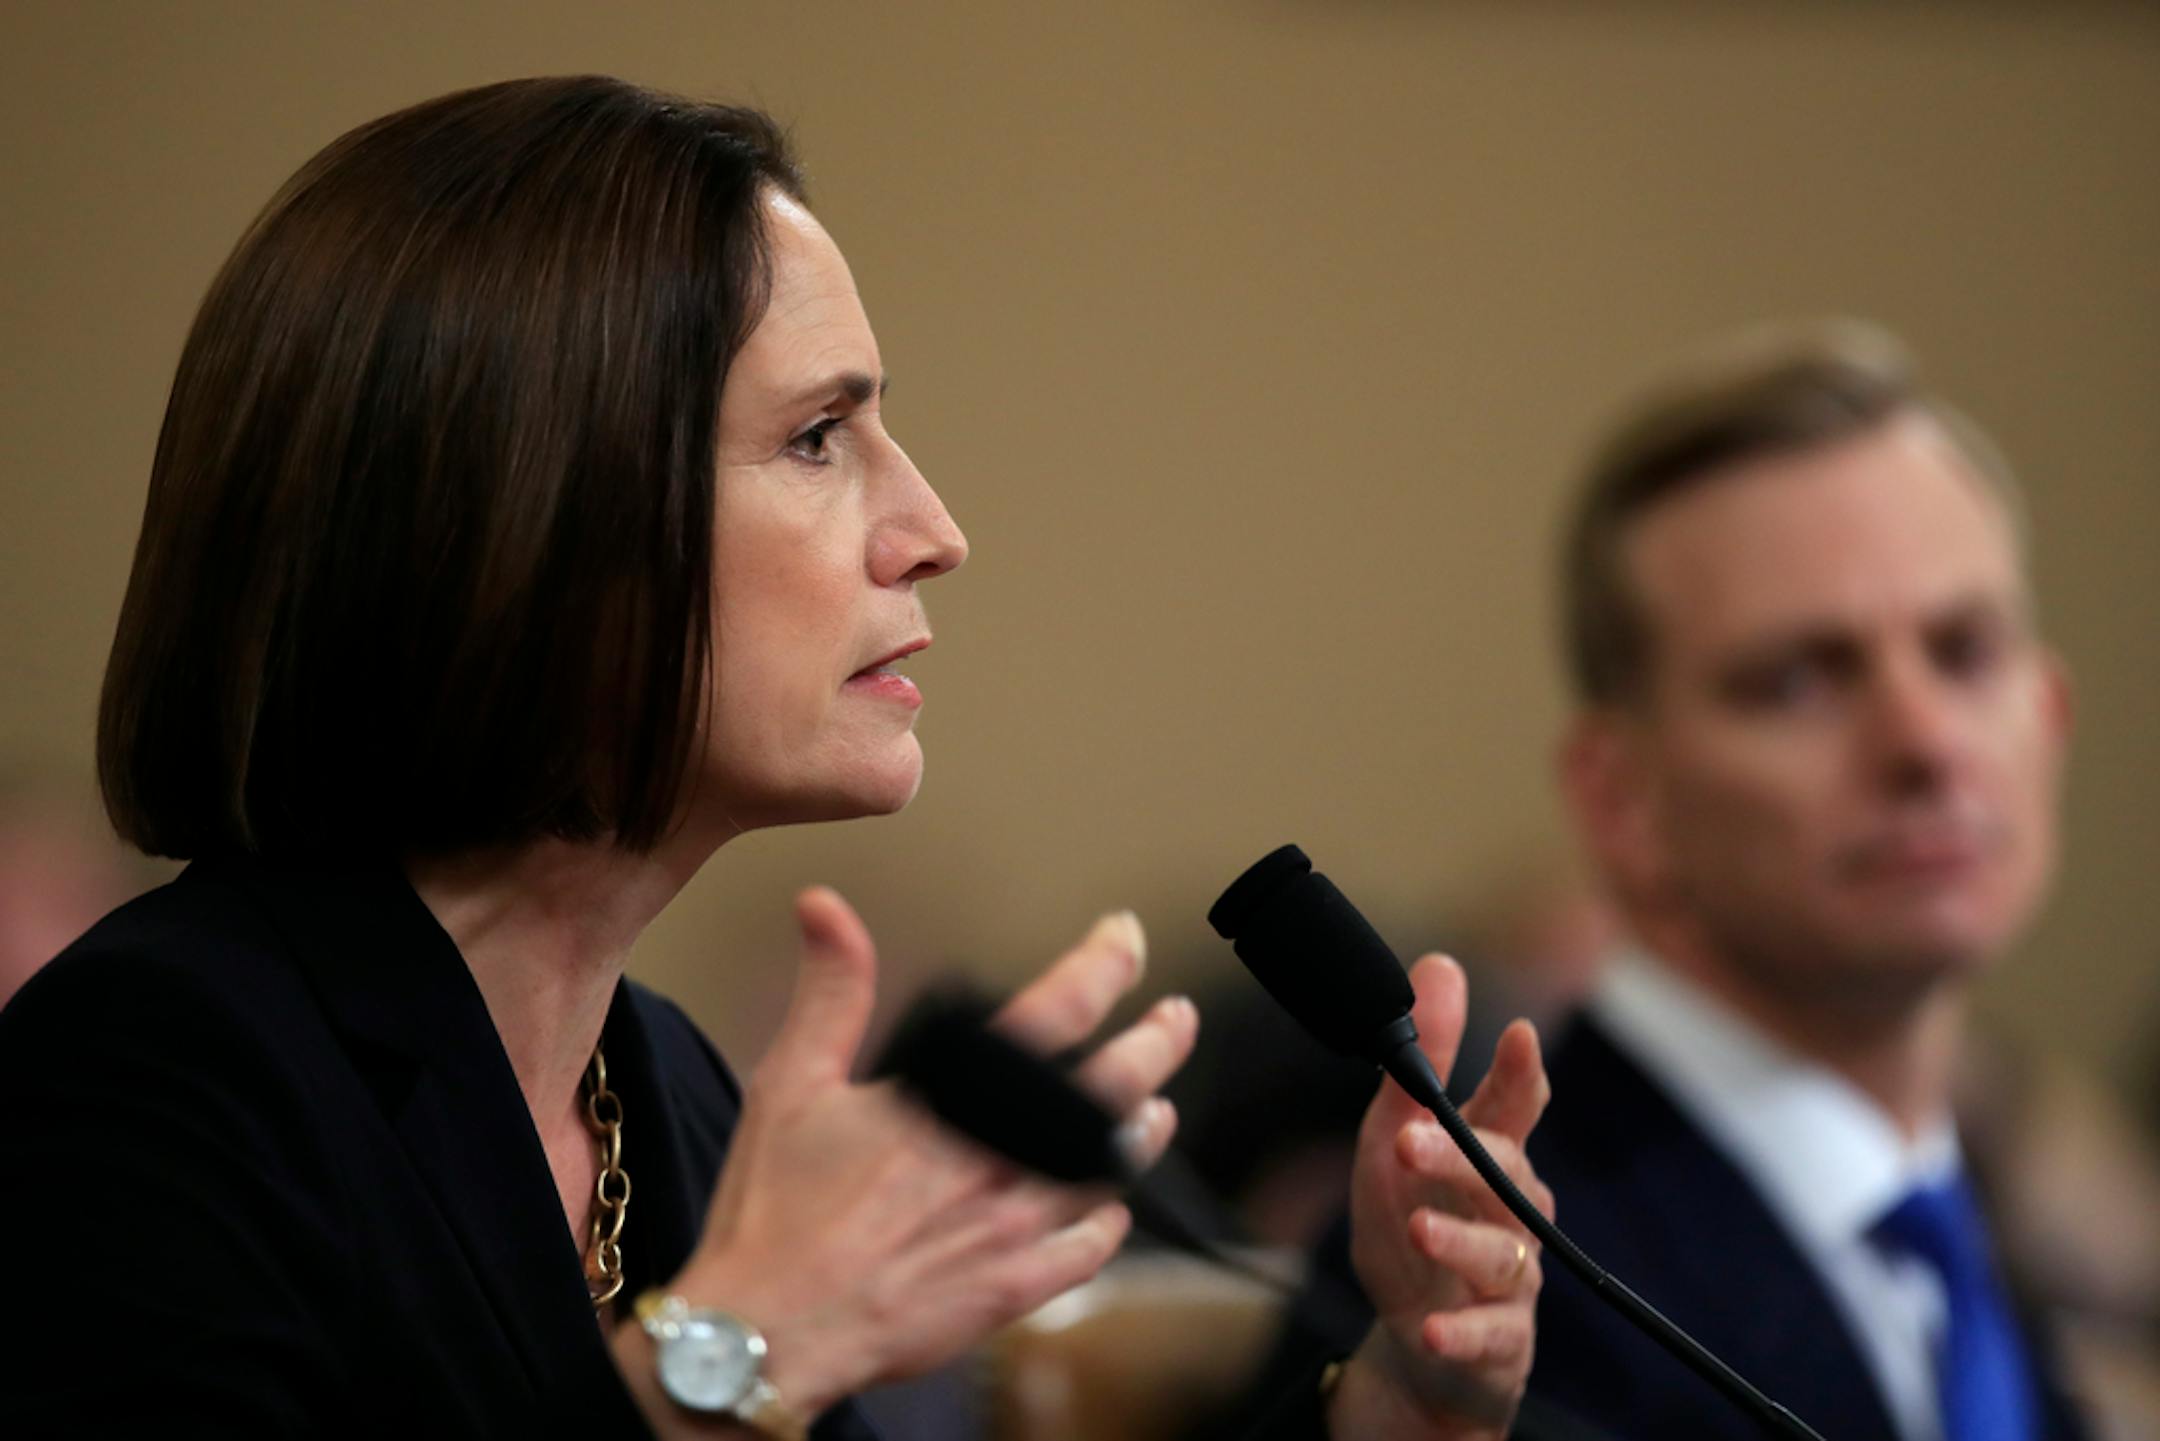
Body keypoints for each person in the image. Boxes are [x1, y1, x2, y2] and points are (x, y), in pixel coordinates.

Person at [0, 76, 1551, 1440]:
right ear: (535, 525)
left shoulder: (660, 1087)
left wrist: (1396, 1410)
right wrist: (751, 1348)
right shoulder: (154, 1070)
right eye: (820, 438)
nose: (934, 533)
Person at [1527, 320, 2091, 1439]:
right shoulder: (1493, 1284)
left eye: (1966, 649)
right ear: (1618, 801)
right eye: (1797, 680)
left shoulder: (1951, 1212)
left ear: (2052, 713)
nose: (1925, 740)